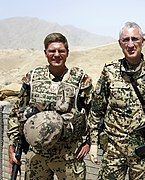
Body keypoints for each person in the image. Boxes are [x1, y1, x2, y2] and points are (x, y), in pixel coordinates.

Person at [7, 32, 93, 179]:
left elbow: (93, 112)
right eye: (52, 51)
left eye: (61, 51)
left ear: (67, 53)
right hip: (37, 155)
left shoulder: (80, 80)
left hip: (69, 155)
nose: (56, 54)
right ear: (45, 53)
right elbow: (17, 112)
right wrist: (12, 145)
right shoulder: (32, 78)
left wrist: (89, 142)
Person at [89, 22, 145, 179]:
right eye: (126, 40)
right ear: (120, 43)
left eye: (135, 39)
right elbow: (97, 109)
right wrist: (93, 143)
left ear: (142, 42)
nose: (130, 44)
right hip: (114, 149)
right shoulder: (109, 71)